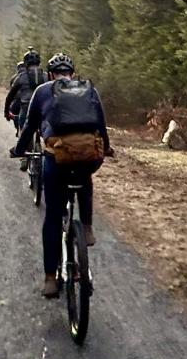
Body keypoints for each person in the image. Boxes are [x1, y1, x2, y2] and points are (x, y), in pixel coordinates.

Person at [10, 52, 112, 297]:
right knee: (84, 175)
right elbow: (101, 124)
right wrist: (106, 148)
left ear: (50, 74)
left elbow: (30, 126)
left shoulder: (43, 91)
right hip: (90, 158)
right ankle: (86, 227)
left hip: (56, 160)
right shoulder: (90, 90)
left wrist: (20, 150)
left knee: (53, 217)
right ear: (73, 73)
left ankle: (50, 278)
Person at [4, 50, 47, 169]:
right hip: (44, 110)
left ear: (26, 63)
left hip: (26, 109)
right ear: (39, 62)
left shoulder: (21, 77)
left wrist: (6, 111)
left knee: (23, 129)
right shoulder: (46, 76)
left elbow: (10, 96)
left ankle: (23, 155)